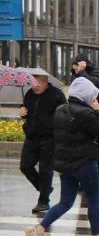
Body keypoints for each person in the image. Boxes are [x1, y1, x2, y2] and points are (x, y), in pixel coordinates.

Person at [24, 77, 99, 236]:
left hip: (65, 165)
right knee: (93, 199)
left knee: (65, 202)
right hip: (85, 163)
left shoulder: (60, 110)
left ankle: (39, 229)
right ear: (86, 94)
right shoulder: (85, 113)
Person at [19, 74, 66, 213]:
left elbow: (64, 113)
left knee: (46, 170)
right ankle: (44, 188)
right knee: (25, 166)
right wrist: (22, 111)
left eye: (37, 84)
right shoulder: (29, 94)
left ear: (45, 82)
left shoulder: (56, 95)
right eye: (32, 84)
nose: (34, 87)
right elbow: (26, 112)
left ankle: (43, 201)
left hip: (50, 138)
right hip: (32, 137)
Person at [71, 53, 99, 188]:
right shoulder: (77, 75)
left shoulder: (97, 74)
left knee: (92, 145)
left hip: (94, 111)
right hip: (81, 112)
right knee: (87, 145)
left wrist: (82, 72)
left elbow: (93, 85)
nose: (75, 70)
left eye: (77, 66)